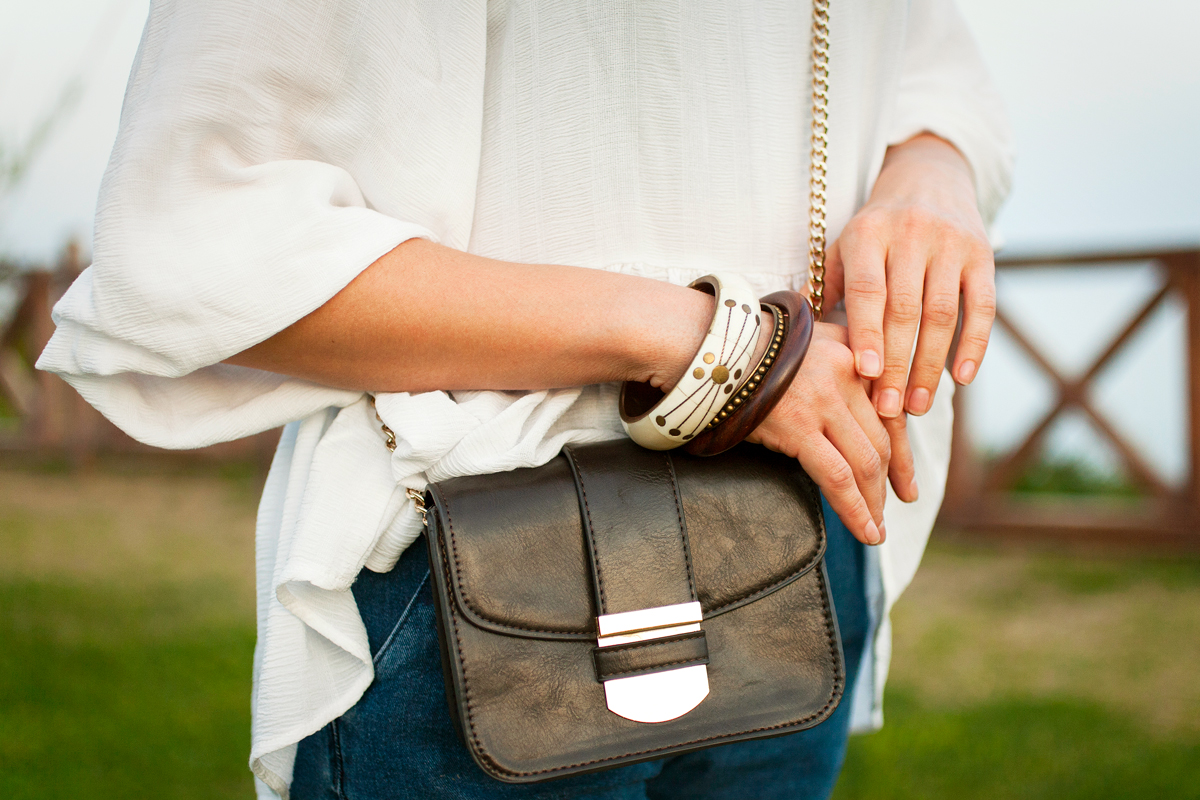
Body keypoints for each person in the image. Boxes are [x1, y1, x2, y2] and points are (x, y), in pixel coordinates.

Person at [37, 0, 1012, 797]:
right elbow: (203, 238)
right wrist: (708, 342)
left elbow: (926, 61)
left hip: (797, 538)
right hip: (479, 575)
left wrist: (930, 170)